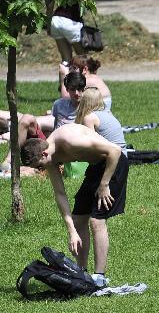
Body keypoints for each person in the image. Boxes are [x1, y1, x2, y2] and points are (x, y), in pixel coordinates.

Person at [20, 123, 129, 286]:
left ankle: (100, 277)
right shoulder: (49, 157)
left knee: (96, 221)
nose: (41, 170)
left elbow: (115, 150)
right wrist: (71, 231)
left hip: (114, 164)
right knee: (78, 220)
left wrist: (104, 184)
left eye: (40, 166)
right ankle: (81, 272)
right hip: (96, 167)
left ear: (43, 154)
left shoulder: (70, 141)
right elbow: (60, 194)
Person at [47, 0, 87, 64]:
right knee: (82, 58)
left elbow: (50, 5)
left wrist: (48, 25)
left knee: (65, 59)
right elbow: (81, 0)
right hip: (71, 21)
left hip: (56, 20)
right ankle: (84, 80)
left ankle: (63, 80)